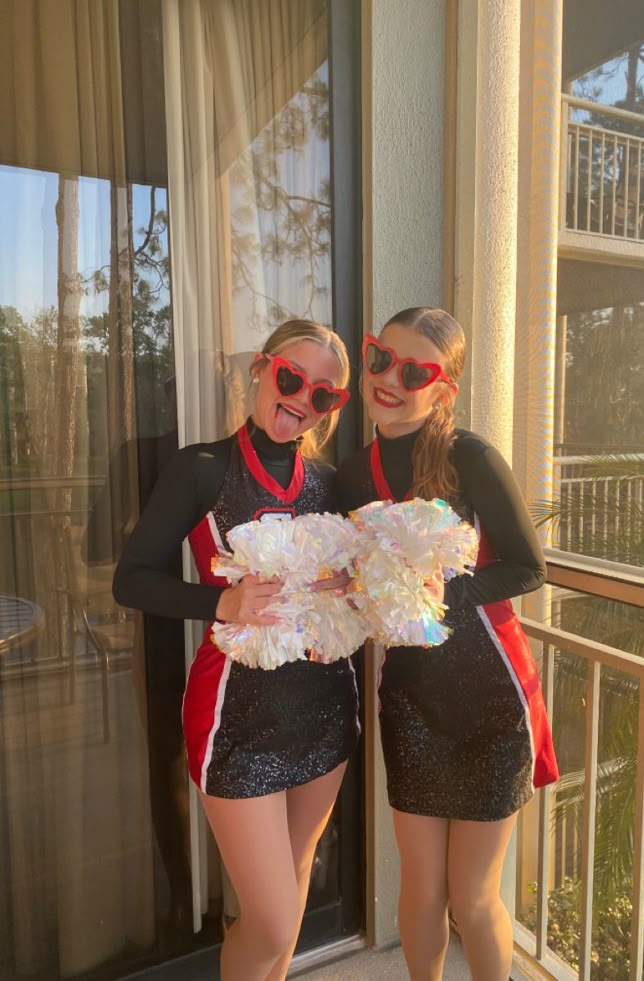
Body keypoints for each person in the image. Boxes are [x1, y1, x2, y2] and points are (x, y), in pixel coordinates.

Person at [113, 320, 360, 981]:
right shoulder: (202, 468)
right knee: (273, 917)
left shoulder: (332, 483)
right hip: (236, 721)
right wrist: (221, 602)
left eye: (324, 395)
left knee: (297, 879)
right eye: (290, 378)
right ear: (261, 368)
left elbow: (360, 579)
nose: (301, 399)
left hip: (325, 710)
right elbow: (130, 578)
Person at [337, 307, 559, 981]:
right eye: (380, 358)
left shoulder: (472, 457)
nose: (389, 379)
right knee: (423, 890)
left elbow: (529, 565)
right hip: (412, 702)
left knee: (473, 895)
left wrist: (440, 589)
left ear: (444, 388)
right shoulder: (351, 473)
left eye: (414, 370)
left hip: (493, 702)